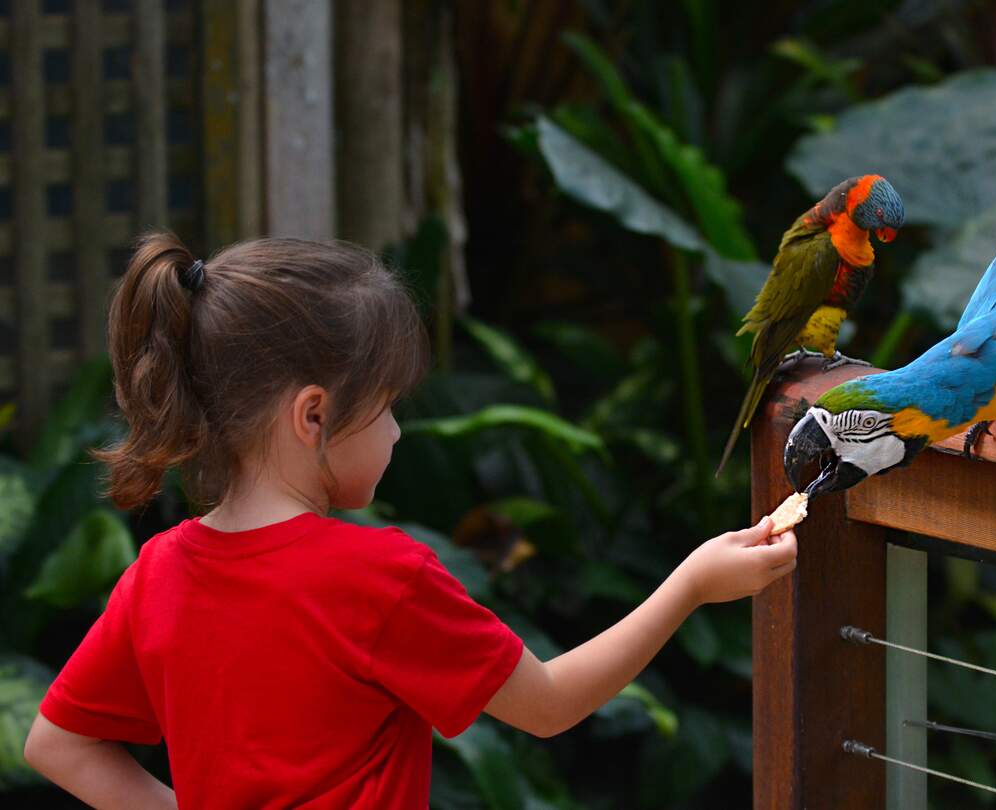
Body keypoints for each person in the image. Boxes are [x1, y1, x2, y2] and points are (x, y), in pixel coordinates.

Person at [22, 233, 799, 809]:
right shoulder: (379, 580)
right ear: (314, 414)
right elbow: (548, 703)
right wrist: (692, 584)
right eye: (388, 407)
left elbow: (58, 743)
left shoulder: (158, 570)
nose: (396, 433)